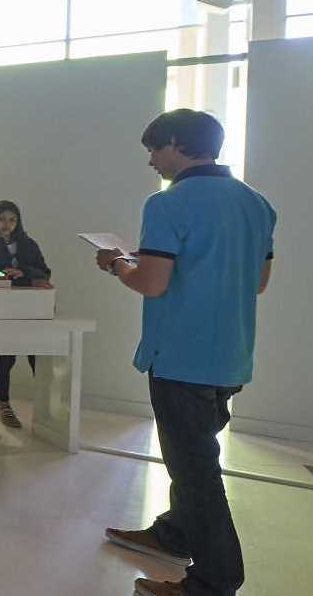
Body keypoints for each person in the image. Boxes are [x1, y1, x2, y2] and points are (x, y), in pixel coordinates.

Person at [95, 110, 275, 596]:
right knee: (193, 456)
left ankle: (215, 580)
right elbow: (258, 281)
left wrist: (117, 265)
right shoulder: (256, 204)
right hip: (230, 355)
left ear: (178, 143)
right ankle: (175, 532)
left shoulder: (167, 203)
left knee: (195, 470)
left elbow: (153, 283)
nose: (151, 158)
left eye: (155, 147)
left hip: (181, 357)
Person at [0, 200, 52, 428]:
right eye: (1, 220)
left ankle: (45, 407)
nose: (6, 225)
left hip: (29, 307)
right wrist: (2, 274)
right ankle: (3, 405)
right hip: (2, 306)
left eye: (12, 220)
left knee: (36, 354)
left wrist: (23, 273)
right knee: (7, 355)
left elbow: (43, 271)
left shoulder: (27, 244)